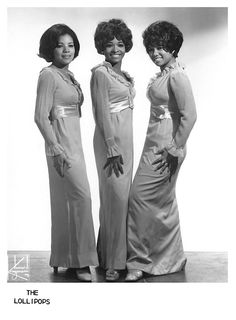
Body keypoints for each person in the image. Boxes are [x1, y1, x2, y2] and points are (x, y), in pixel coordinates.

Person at [126, 21, 197, 281]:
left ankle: (139, 262)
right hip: (154, 141)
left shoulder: (177, 75)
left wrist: (175, 147)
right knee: (162, 203)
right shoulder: (166, 72)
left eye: (161, 48)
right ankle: (170, 258)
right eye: (152, 49)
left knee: (139, 198)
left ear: (173, 47)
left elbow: (190, 116)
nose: (155, 53)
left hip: (166, 145)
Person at [34, 24, 98, 282]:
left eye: (70, 45)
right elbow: (40, 116)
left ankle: (64, 258)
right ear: (51, 48)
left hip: (75, 145)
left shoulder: (68, 75)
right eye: (60, 45)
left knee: (68, 203)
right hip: (61, 147)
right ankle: (80, 262)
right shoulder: (48, 75)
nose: (66, 50)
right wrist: (56, 147)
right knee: (81, 199)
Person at [90, 19, 135, 281]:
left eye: (120, 43)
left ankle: (106, 254)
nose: (115, 48)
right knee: (115, 201)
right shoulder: (100, 73)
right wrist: (110, 146)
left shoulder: (122, 75)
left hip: (126, 142)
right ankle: (114, 263)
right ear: (102, 47)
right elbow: (101, 112)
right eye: (109, 44)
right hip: (112, 143)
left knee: (119, 202)